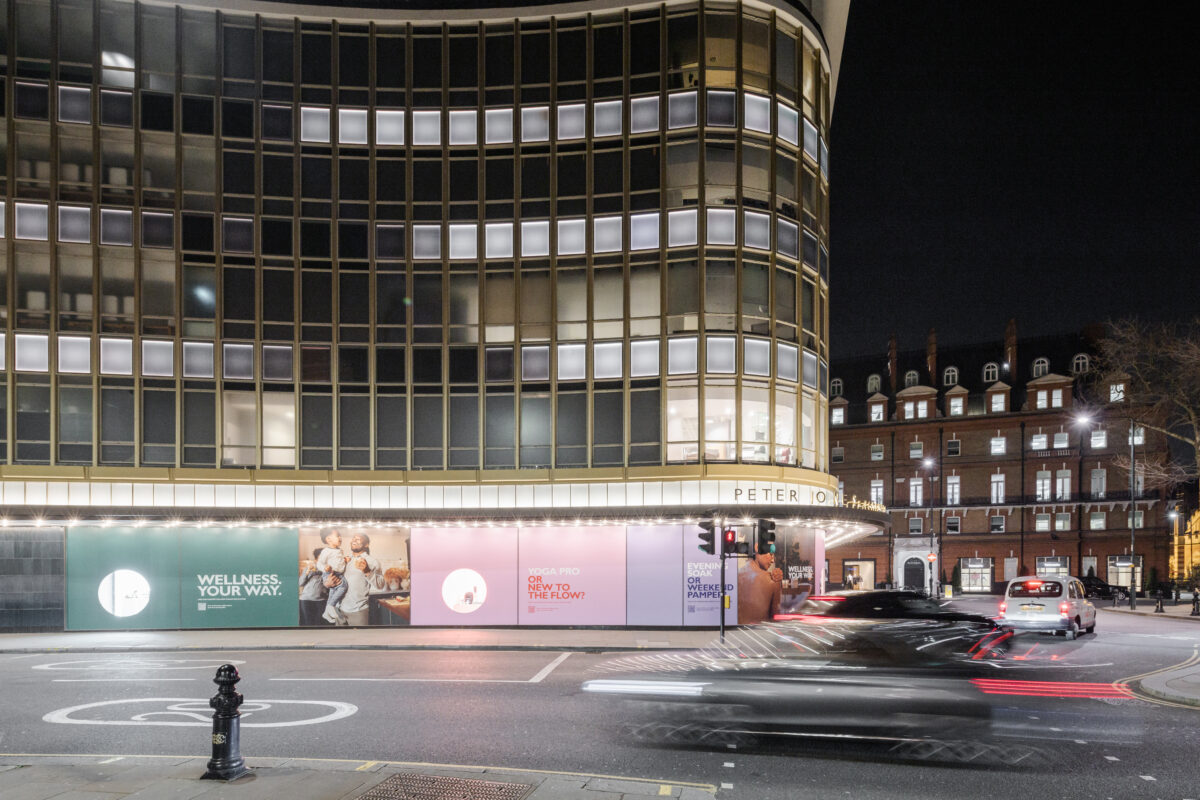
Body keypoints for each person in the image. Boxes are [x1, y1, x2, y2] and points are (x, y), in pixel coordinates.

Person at [339, 532, 384, 626]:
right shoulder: (345, 560)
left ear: (366, 544)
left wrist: (367, 571)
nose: (354, 540)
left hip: (358, 611)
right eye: (353, 538)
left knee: (358, 639)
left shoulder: (372, 561)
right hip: (340, 610)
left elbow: (380, 585)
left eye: (358, 539)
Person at [738, 548, 783, 624]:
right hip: (761, 634)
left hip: (735, 633)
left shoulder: (733, 577)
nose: (773, 561)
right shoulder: (773, 580)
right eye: (771, 554)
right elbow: (776, 620)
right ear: (757, 548)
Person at [316, 529, 349, 624]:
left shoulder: (339, 550)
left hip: (337, 573)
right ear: (328, 539)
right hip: (330, 574)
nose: (340, 538)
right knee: (343, 586)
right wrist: (325, 568)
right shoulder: (326, 551)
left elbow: (338, 563)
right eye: (337, 536)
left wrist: (345, 561)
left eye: (340, 536)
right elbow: (319, 563)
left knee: (333, 592)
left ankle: (327, 611)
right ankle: (330, 606)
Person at [298, 548, 327, 626]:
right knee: (307, 624)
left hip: (321, 600)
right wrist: (307, 572)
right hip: (306, 600)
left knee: (319, 624)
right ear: (317, 557)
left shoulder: (328, 568)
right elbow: (300, 583)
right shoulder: (309, 567)